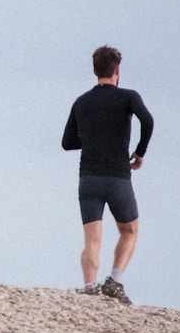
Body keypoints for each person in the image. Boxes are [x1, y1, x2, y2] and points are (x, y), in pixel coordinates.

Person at [61, 45, 154, 304]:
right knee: (129, 231)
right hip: (117, 177)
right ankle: (114, 281)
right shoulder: (128, 97)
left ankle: (89, 286)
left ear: (94, 70)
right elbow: (147, 121)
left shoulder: (82, 102)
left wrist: (93, 139)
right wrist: (140, 151)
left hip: (88, 179)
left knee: (92, 238)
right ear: (117, 70)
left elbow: (67, 142)